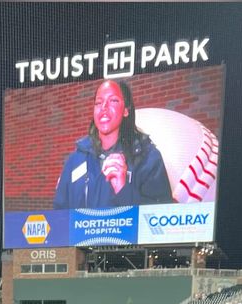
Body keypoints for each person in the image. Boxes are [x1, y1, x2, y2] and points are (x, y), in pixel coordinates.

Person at [53, 79, 172, 209]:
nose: (103, 107)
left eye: (113, 100)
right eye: (98, 103)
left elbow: (161, 215)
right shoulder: (75, 160)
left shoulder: (148, 158)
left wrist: (123, 190)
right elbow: (59, 213)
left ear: (126, 110)